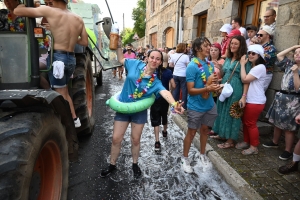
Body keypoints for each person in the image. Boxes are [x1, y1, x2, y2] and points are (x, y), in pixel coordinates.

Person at [100, 39, 184, 178]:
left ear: (160, 62)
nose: (154, 60)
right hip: (123, 107)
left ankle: (135, 164)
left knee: (135, 139)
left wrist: (175, 104)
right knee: (116, 138)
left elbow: (165, 92)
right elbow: (121, 58)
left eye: (158, 59)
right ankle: (112, 165)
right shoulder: (134, 64)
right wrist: (119, 45)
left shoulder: (155, 82)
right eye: (152, 57)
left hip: (138, 112)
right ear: (147, 58)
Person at [14, 0, 88, 128]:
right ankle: (74, 120)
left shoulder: (49, 11)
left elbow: (17, 11)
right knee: (63, 91)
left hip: (58, 58)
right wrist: (68, 36)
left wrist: (32, 4)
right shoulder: (78, 18)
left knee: (60, 94)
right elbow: (84, 42)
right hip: (71, 59)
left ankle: (68, 122)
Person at [181, 37, 221, 173]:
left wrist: (217, 85)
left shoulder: (209, 64)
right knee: (191, 133)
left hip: (209, 105)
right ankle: (185, 158)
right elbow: (191, 91)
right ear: (197, 49)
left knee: (205, 131)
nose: (209, 48)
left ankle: (202, 154)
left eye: (209, 45)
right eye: (205, 46)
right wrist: (207, 88)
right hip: (195, 107)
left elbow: (209, 83)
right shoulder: (192, 66)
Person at [210, 35, 251, 148]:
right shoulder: (228, 57)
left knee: (231, 113)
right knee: (222, 110)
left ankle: (230, 140)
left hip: (236, 89)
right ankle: (222, 134)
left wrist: (244, 96)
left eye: (235, 44)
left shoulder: (244, 59)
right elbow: (225, 74)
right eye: (231, 43)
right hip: (225, 87)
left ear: (241, 45)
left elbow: (246, 80)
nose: (232, 46)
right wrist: (220, 68)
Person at [263, 45, 300, 160]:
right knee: (277, 123)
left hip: (293, 100)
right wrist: (294, 47)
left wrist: (295, 73)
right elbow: (279, 55)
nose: (297, 54)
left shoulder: (296, 69)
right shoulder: (290, 64)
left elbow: (298, 88)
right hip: (282, 97)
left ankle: (288, 150)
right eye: (296, 53)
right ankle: (275, 142)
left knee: (289, 128)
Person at [236, 44, 267, 155]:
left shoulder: (260, 67)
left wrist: (242, 65)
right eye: (249, 52)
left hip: (256, 101)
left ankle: (254, 146)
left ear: (259, 55)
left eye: (253, 53)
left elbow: (245, 79)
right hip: (251, 99)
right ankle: (246, 141)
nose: (250, 55)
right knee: (245, 122)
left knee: (250, 123)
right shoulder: (254, 67)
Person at [150, 52, 175, 152]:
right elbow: (173, 85)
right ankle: (164, 131)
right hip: (165, 99)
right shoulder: (168, 72)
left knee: (155, 119)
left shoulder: (152, 72)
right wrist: (170, 92)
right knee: (164, 115)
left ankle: (157, 141)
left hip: (154, 99)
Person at [251, 25, 277, 91]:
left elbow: (263, 60)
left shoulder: (271, 48)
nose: (258, 36)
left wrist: (255, 47)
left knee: (257, 93)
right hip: (253, 73)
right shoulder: (257, 46)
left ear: (268, 35)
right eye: (257, 35)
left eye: (261, 35)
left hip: (264, 75)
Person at [169, 43, 190, 109]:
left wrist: (176, 66)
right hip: (183, 75)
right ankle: (184, 106)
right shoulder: (186, 56)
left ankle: (175, 104)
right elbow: (188, 66)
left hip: (175, 74)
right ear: (183, 48)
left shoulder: (173, 55)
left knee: (176, 90)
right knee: (184, 91)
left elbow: (170, 65)